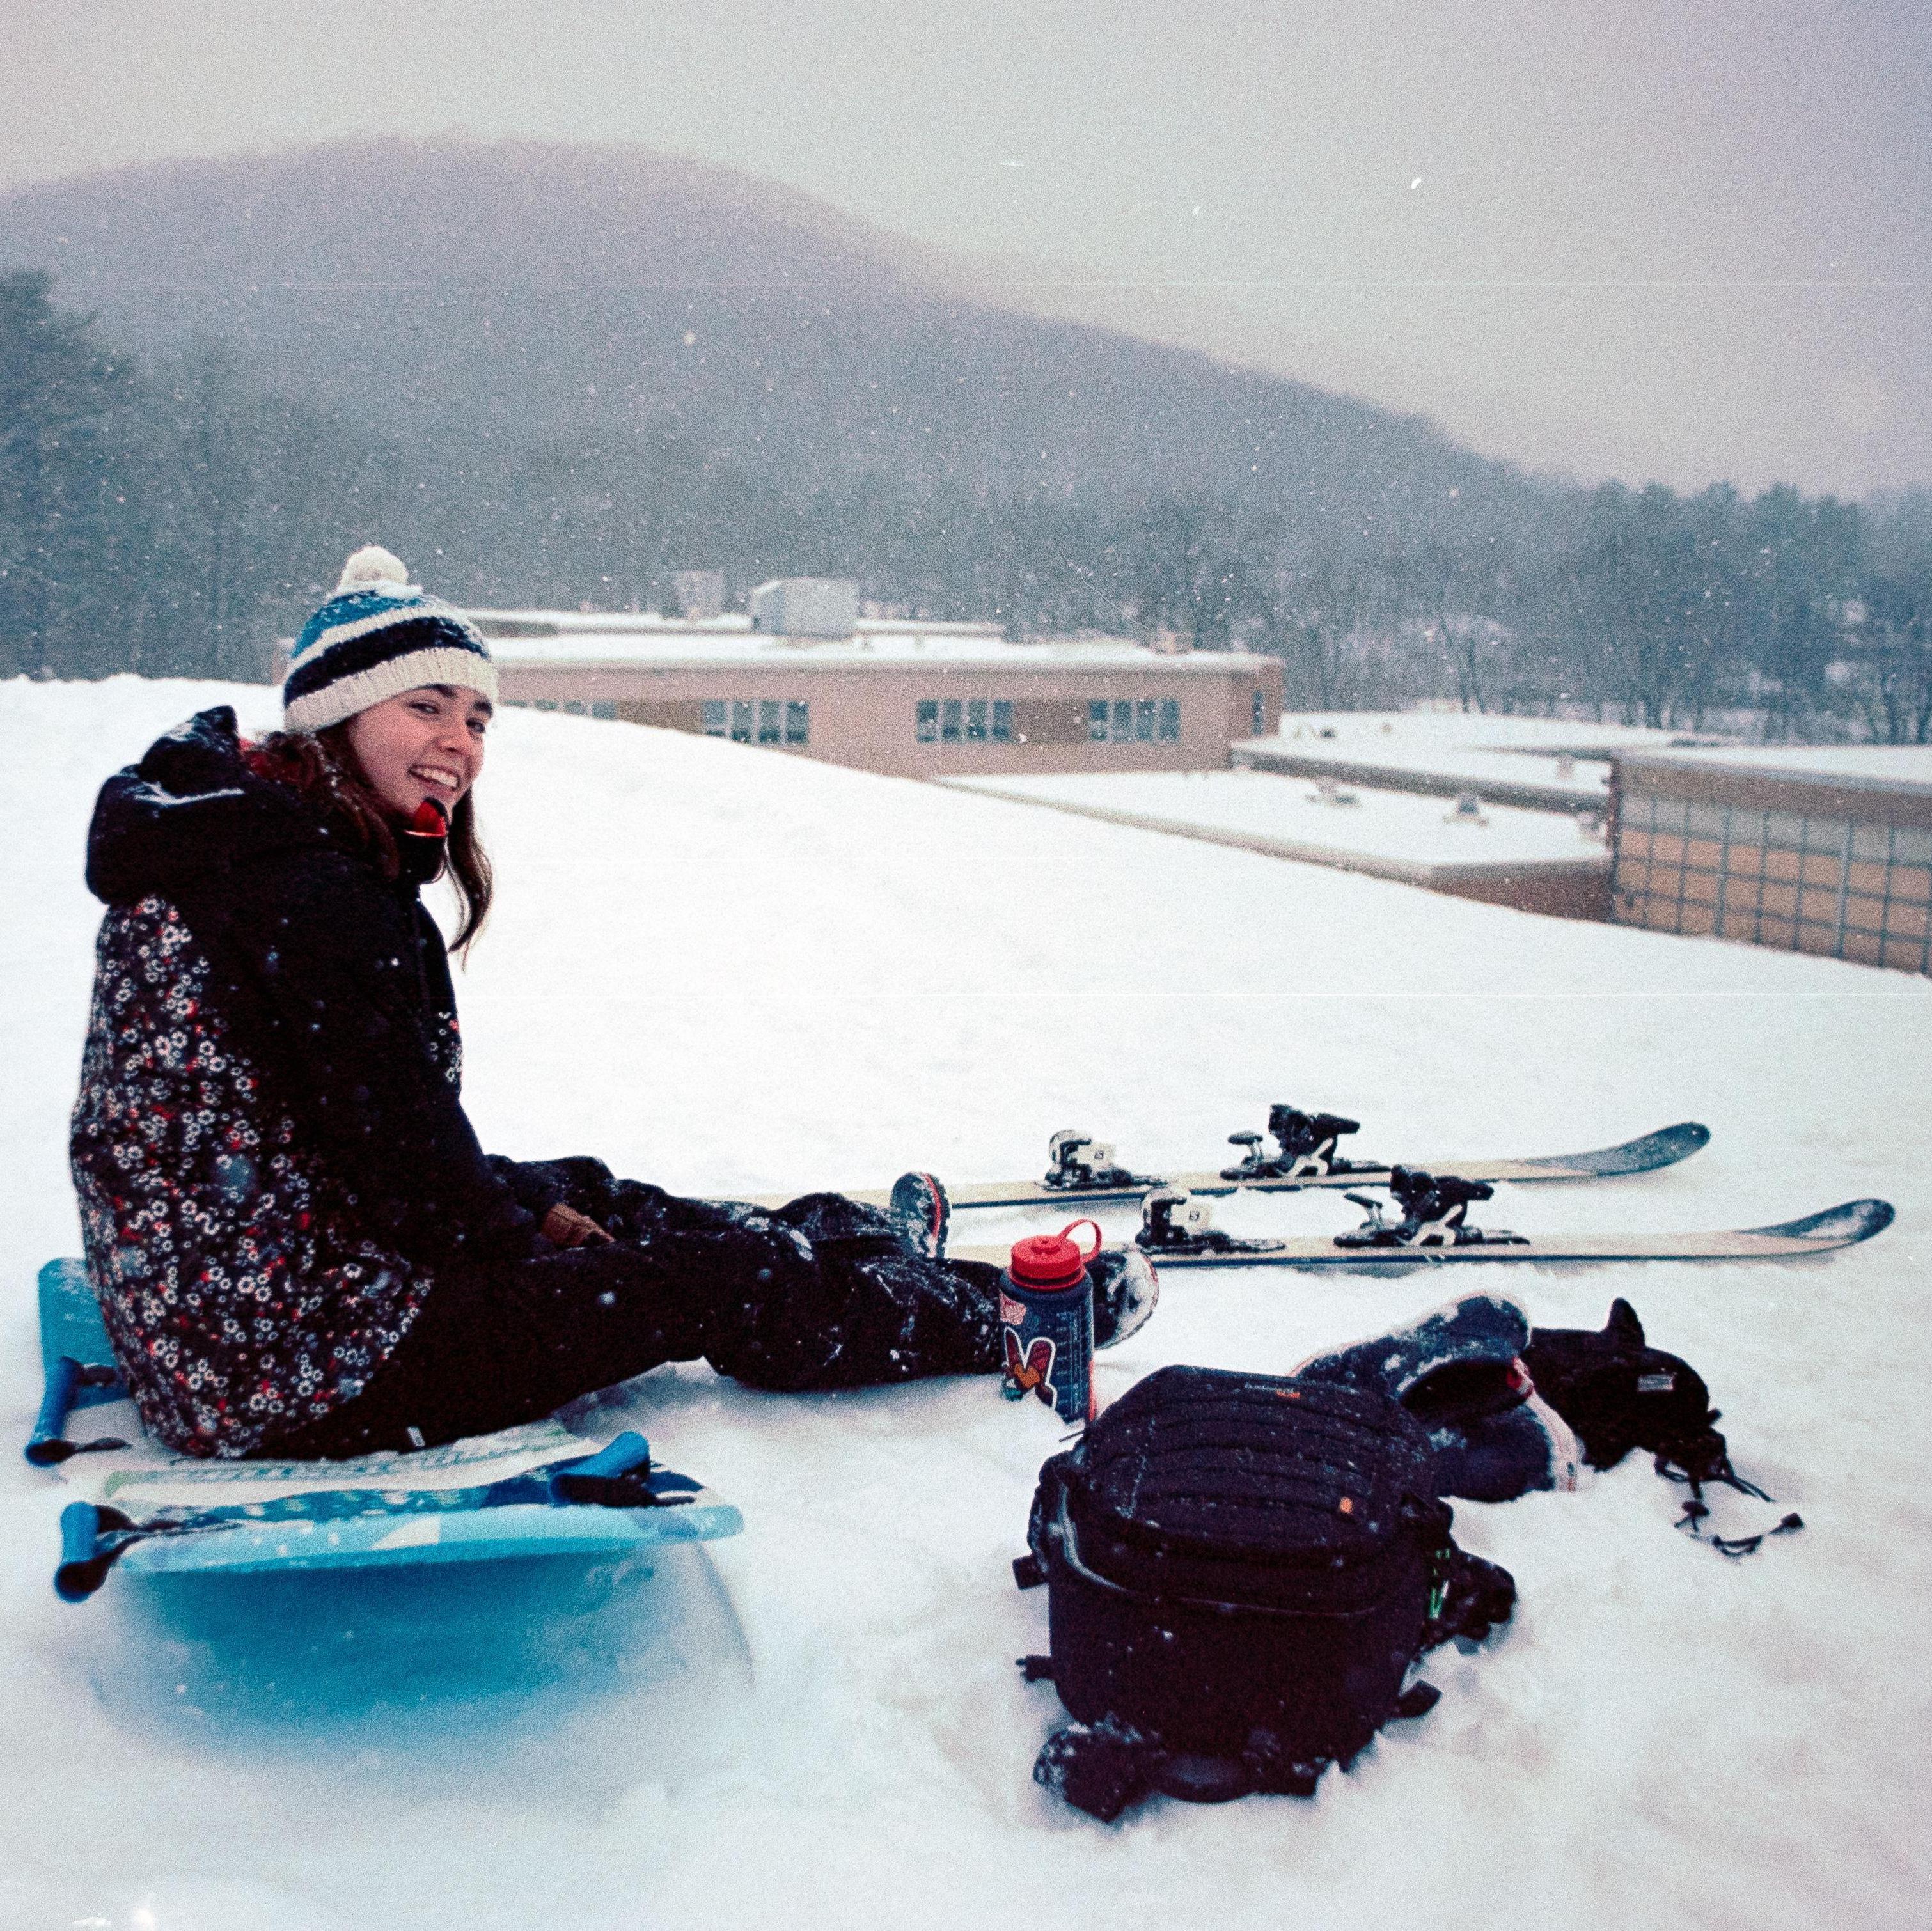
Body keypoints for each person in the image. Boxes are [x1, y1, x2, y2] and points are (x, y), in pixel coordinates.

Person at [70, 547, 1155, 1461]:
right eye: (427, 707)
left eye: (479, 717)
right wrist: (541, 1240)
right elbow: (413, 1183)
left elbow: (381, 1148)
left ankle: (845, 1252)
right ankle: (1007, 1320)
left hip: (234, 1306)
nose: (462, 742)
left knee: (582, 1190)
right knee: (704, 1280)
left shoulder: (240, 843)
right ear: (338, 718)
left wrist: (538, 1211)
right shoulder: (307, 892)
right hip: (291, 1366)